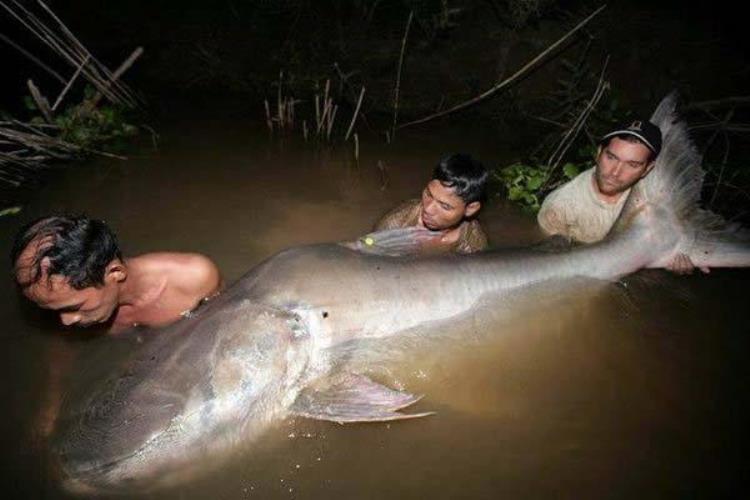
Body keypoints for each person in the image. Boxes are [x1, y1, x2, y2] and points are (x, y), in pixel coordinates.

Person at [537, 119, 708, 274]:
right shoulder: (559, 207)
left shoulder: (656, 195)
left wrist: (684, 253)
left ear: (648, 169)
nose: (615, 173)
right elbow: (549, 265)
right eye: (611, 157)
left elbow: (682, 232)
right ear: (599, 153)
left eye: (632, 164)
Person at [11, 215, 222, 332]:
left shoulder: (195, 277)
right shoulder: (75, 303)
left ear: (114, 272)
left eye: (73, 307)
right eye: (52, 310)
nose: (65, 321)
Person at [374, 153, 489, 254]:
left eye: (445, 206)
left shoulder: (473, 240)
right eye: (428, 194)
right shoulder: (396, 223)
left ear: (470, 209)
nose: (428, 209)